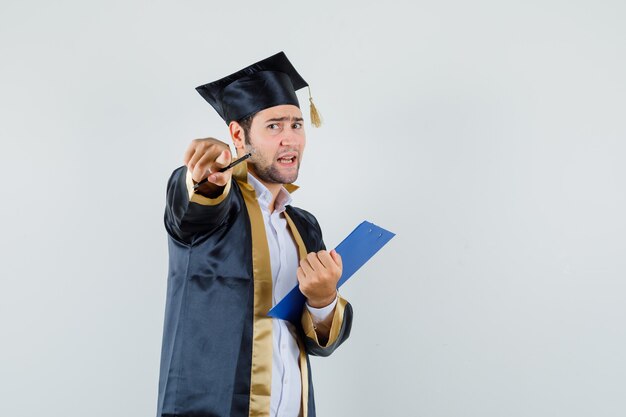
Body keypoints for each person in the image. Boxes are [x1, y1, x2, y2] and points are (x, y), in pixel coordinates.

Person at [157, 52, 353, 417]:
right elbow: (191, 205)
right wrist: (203, 175)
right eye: (274, 126)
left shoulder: (304, 226)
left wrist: (324, 300)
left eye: (296, 125)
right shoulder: (220, 205)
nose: (290, 140)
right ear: (237, 135)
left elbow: (320, 344)